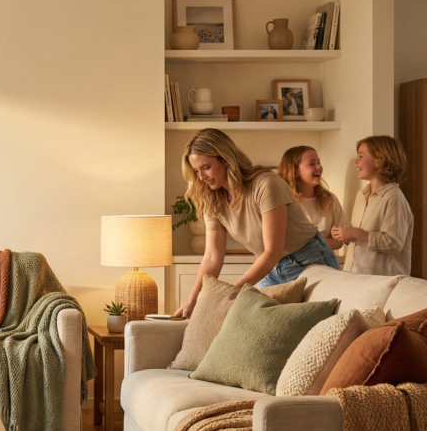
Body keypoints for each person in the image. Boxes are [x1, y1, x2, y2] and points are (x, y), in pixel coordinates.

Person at [173, 129, 340, 318]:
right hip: (270, 269)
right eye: (196, 171)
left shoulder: (266, 184)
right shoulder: (213, 198)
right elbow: (212, 256)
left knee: (323, 326)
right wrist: (194, 300)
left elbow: (273, 250)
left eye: (206, 167)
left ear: (226, 159)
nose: (201, 177)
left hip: (308, 260)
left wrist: (231, 293)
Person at [332, 136, 413, 276]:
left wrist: (353, 232)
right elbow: (363, 236)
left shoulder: (393, 197)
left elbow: (393, 243)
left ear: (379, 161)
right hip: (356, 278)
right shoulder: (361, 195)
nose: (355, 161)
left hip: (381, 282)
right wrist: (345, 235)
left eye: (361, 156)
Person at [278, 146, 346, 251]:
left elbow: (339, 241)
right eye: (312, 164)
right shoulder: (282, 201)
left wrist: (308, 241)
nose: (318, 167)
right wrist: (321, 241)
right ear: (295, 172)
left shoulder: (330, 199)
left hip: (324, 264)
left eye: (319, 163)